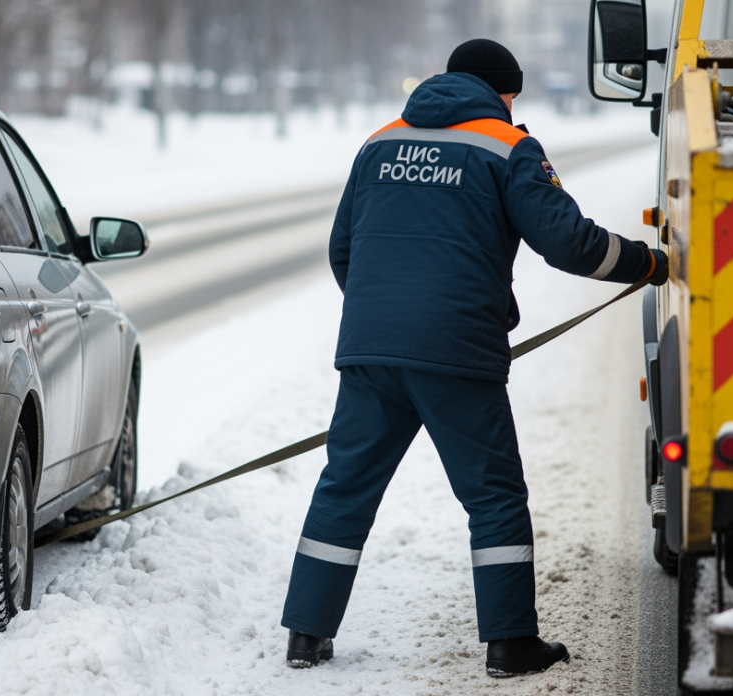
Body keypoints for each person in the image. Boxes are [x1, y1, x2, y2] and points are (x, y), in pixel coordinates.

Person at [281, 38, 669, 677]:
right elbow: (569, 243)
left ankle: (306, 634)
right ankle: (511, 643)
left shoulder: (379, 142)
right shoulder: (509, 146)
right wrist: (647, 262)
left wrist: (389, 318)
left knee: (345, 487)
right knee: (492, 495)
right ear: (504, 90)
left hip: (371, 351)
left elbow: (342, 250)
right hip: (456, 353)